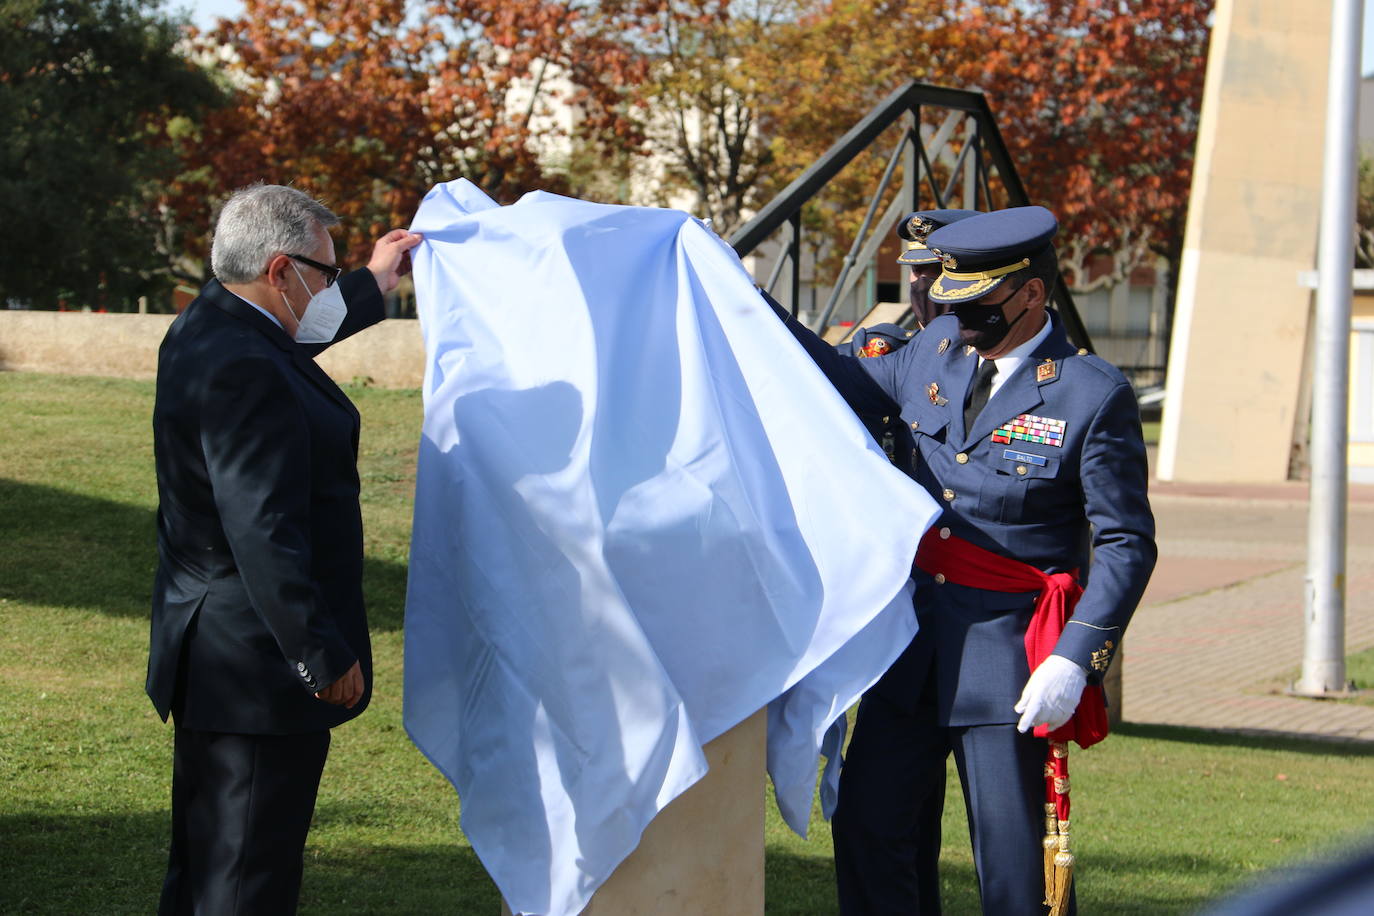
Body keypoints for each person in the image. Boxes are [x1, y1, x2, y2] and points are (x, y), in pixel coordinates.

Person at [769, 206, 1156, 914]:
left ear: (1031, 295)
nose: (958, 321)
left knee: (1013, 870)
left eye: (976, 306)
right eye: (950, 303)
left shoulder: (1090, 394)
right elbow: (837, 378)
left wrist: (1076, 657)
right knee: (869, 828)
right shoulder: (936, 349)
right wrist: (748, 302)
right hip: (910, 649)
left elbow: (1127, 543)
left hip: (1008, 661)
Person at [145, 183, 421, 914]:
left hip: (216, 654)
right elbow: (261, 527)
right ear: (278, 271)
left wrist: (373, 279)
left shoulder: (213, 325)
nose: (327, 287)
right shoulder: (246, 365)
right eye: (324, 274)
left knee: (209, 867)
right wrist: (318, 655)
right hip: (256, 668)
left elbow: (296, 337)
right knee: (244, 879)